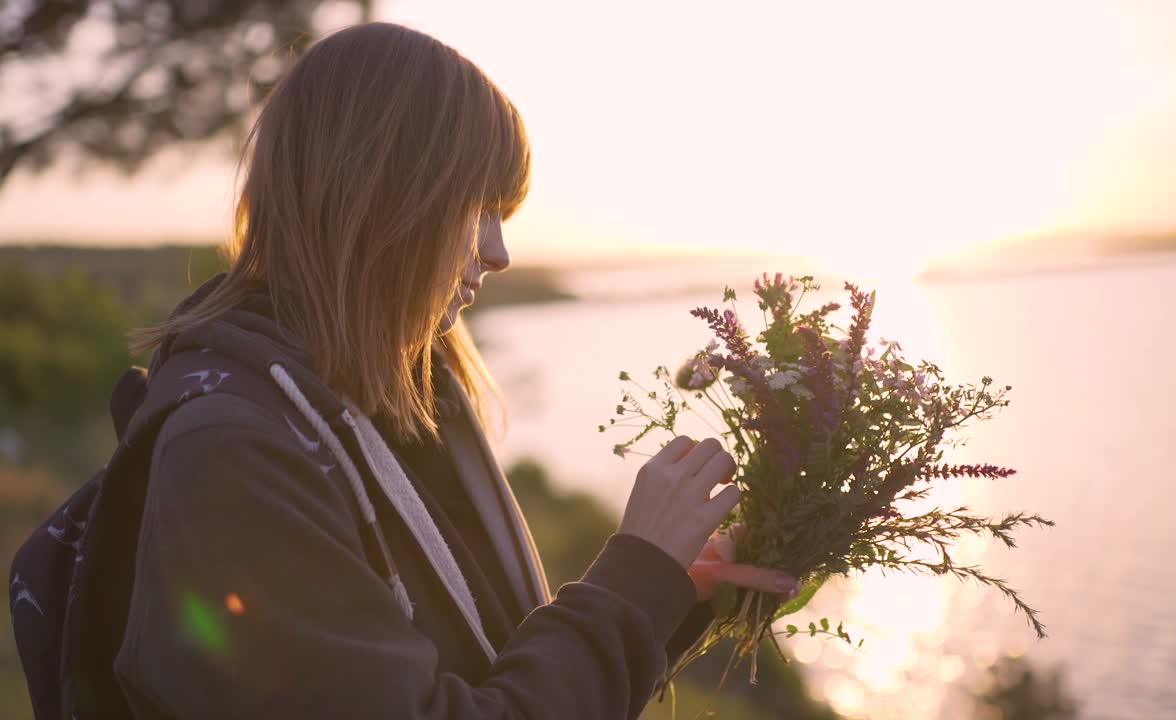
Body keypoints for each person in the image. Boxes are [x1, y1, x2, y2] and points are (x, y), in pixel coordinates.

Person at [113, 22, 796, 719]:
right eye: (481, 208)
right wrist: (631, 576)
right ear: (381, 196)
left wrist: (668, 591)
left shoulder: (398, 404)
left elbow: (493, 676)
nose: (499, 253)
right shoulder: (232, 459)